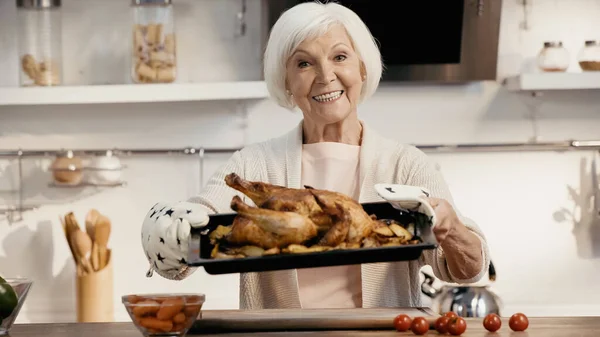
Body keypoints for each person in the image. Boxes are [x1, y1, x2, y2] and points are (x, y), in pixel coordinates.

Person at [141, 1, 490, 310]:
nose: (326, 76)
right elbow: (192, 235)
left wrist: (453, 230)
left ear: (362, 68)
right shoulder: (254, 164)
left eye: (340, 57)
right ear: (287, 82)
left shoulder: (406, 164)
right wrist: (169, 230)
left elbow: (466, 271)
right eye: (304, 63)